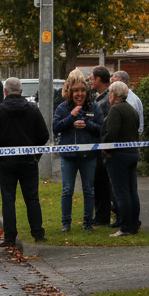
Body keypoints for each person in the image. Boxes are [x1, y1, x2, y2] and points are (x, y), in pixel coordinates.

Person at [0, 76, 49, 247]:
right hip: (29, 162)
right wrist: (36, 154)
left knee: (8, 200)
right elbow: (44, 135)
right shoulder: (32, 109)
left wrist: (0, 149)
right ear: (21, 91)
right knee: (32, 198)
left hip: (7, 163)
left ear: (5, 91)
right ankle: (38, 234)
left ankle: (10, 237)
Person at [53, 70, 103, 233]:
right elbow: (55, 127)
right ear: (70, 92)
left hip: (88, 156)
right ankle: (65, 224)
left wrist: (88, 124)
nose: (79, 94)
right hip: (68, 156)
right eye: (76, 91)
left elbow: (103, 129)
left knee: (89, 189)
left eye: (82, 90)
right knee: (67, 190)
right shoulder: (63, 108)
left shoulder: (94, 107)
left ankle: (87, 223)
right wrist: (70, 119)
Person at [101, 81, 141, 237]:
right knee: (132, 191)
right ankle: (133, 224)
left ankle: (124, 226)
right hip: (132, 153)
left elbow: (111, 132)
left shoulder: (116, 110)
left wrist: (107, 149)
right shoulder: (131, 109)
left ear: (113, 95)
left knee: (121, 192)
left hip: (119, 155)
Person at [88, 66, 113, 227]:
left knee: (102, 183)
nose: (89, 81)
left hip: (103, 150)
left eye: (91, 78)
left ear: (99, 79)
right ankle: (100, 214)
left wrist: (88, 124)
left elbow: (105, 126)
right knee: (99, 183)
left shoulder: (106, 101)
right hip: (99, 148)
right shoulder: (99, 98)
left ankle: (103, 216)